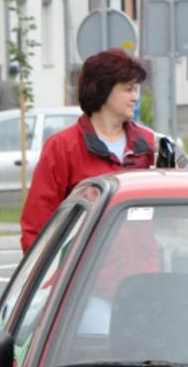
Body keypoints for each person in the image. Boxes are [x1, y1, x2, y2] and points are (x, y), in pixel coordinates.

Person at [20, 49, 156, 253]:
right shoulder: (63, 147)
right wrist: (51, 279)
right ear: (104, 90)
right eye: (128, 89)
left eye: (136, 89)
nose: (135, 97)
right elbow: (38, 224)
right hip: (86, 280)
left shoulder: (150, 144)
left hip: (141, 274)